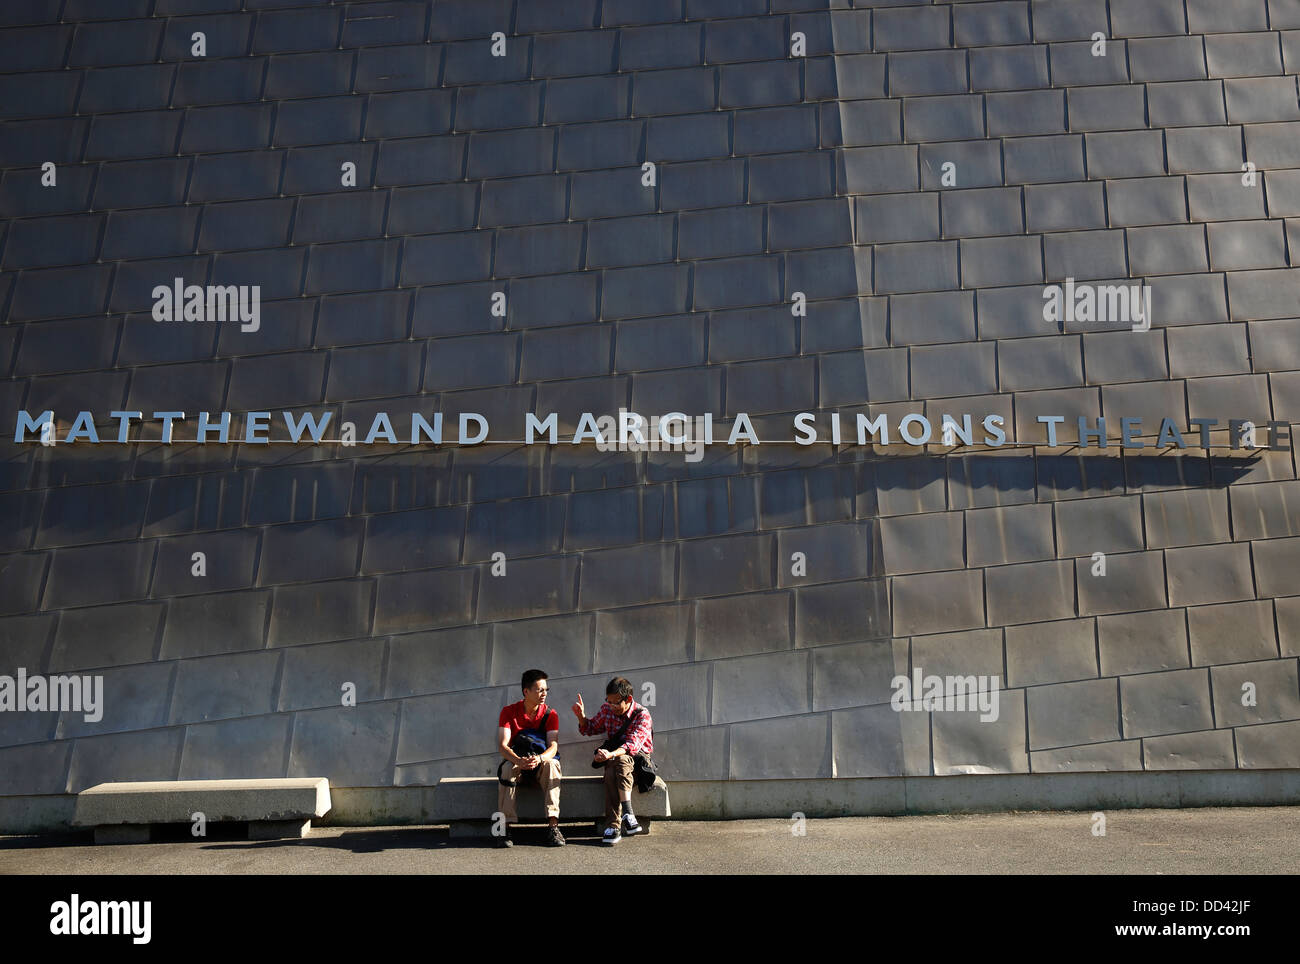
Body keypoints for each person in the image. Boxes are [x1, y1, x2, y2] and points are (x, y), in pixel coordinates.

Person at [572, 676, 653, 845]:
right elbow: (590, 728)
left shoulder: (642, 715)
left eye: (615, 703)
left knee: (621, 761)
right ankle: (626, 817)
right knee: (611, 771)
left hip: (638, 764)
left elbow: (632, 745)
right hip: (616, 765)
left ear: (628, 699)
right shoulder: (607, 709)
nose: (611, 706)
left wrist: (609, 754)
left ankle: (615, 825)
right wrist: (581, 716)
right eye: (608, 701)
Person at [497, 668, 564, 847]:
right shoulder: (509, 712)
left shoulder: (551, 714)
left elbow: (553, 746)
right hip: (518, 760)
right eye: (540, 690)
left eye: (546, 690)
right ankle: (504, 827)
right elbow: (503, 745)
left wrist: (540, 759)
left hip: (539, 762)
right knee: (506, 768)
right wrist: (518, 760)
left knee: (553, 765)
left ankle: (553, 827)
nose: (544, 694)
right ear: (526, 691)